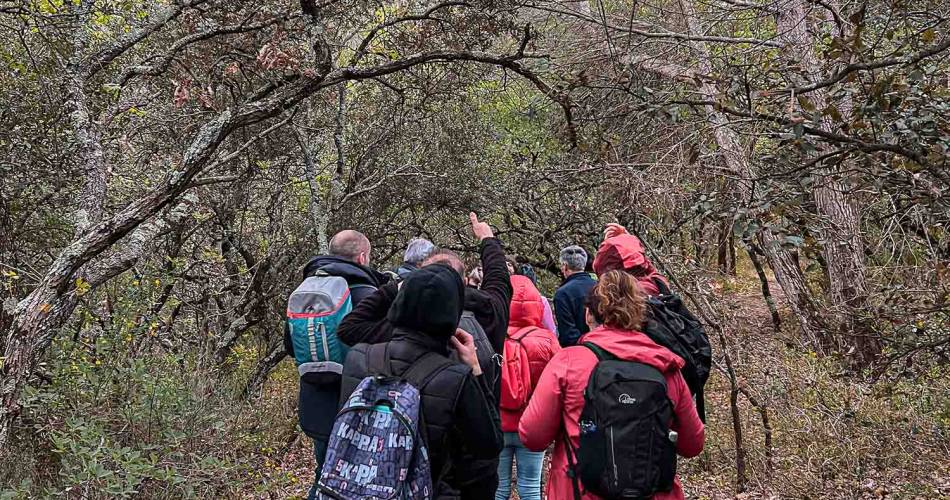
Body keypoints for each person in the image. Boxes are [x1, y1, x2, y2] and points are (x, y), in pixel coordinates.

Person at [337, 212, 512, 499]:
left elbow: (350, 327)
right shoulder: (486, 319)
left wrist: (397, 287)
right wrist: (488, 241)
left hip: (375, 484)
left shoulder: (364, 354)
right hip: (461, 484)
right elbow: (489, 443)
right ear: (462, 284)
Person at [518, 271, 705, 500]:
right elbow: (693, 444)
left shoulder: (568, 362)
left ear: (588, 315)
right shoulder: (667, 366)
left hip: (579, 491)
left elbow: (532, 436)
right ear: (641, 313)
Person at [284, 229, 390, 500]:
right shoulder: (370, 295)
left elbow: (290, 345)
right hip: (361, 405)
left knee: (324, 474)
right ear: (363, 257)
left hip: (317, 401)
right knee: (363, 480)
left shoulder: (306, 291)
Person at [496, 275, 560, 500]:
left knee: (499, 488)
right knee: (531, 487)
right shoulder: (548, 340)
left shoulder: (491, 335)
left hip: (498, 423)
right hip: (532, 425)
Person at [592, 223, 668, 296]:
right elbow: (649, 268)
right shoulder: (656, 285)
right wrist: (629, 241)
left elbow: (599, 267)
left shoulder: (606, 298)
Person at [553, 245, 596, 347]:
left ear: (565, 266)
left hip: (578, 350)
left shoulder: (562, 294)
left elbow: (567, 335)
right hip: (602, 345)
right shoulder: (599, 286)